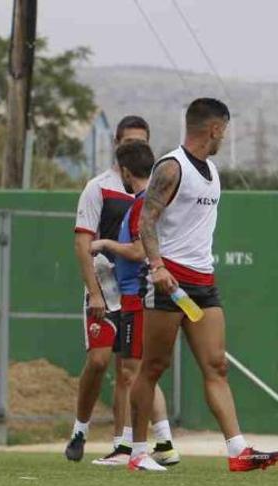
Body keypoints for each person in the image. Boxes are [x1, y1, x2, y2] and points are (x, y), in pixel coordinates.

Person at [129, 98, 278, 472]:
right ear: (214, 128)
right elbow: (146, 221)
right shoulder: (170, 167)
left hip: (203, 284)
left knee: (216, 366)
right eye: (223, 130)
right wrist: (157, 267)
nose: (223, 137)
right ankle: (136, 453)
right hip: (168, 284)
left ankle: (238, 451)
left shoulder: (212, 170)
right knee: (153, 367)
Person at [65, 116, 169, 462]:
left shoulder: (155, 191)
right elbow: (84, 244)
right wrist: (93, 291)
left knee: (132, 369)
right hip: (105, 288)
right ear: (117, 144)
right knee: (98, 361)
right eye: (128, 143)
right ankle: (80, 428)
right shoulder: (98, 187)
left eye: (140, 143)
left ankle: (128, 445)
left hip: (136, 291)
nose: (133, 148)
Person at [90, 141, 179, 467]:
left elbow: (140, 252)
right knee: (138, 372)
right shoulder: (141, 203)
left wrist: (104, 244)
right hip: (132, 296)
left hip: (138, 296)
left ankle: (135, 448)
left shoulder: (142, 204)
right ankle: (154, 444)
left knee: (135, 373)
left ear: (126, 172)